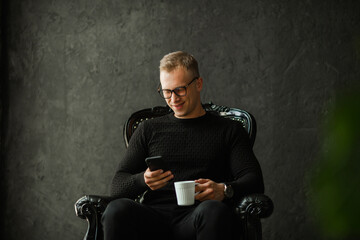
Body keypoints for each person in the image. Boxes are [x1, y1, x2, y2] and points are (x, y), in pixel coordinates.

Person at [101, 51, 264, 240]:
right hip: (153, 218)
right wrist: (142, 180)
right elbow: (117, 185)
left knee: (212, 210)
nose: (173, 99)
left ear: (198, 84)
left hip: (199, 217)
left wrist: (224, 189)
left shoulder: (228, 130)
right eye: (166, 92)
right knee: (116, 209)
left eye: (180, 90)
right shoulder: (149, 129)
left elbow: (254, 180)